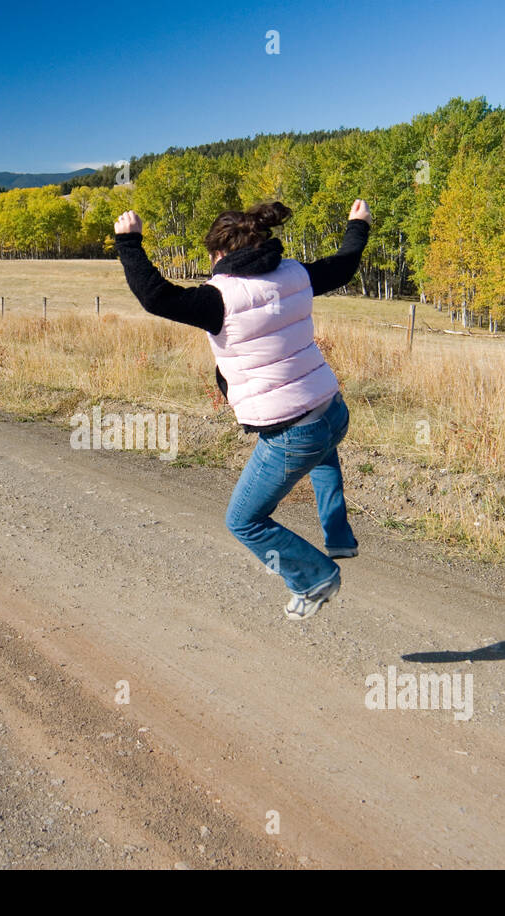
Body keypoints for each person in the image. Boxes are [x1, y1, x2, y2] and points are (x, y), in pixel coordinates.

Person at [114, 198, 371, 619]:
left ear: (218, 254)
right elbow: (344, 264)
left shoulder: (219, 299)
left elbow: (156, 297)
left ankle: (314, 577)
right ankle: (338, 534)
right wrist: (357, 226)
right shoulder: (297, 275)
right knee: (323, 446)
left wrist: (129, 244)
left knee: (244, 521)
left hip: (292, 433)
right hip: (333, 411)